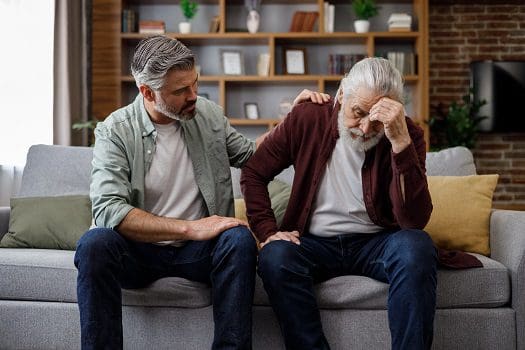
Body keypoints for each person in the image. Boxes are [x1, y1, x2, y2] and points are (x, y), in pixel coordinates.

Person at [74, 35, 327, 350]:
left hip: (197, 253)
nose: (194, 95)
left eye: (195, 83)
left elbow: (252, 155)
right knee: (94, 244)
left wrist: (292, 121)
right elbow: (110, 210)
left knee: (237, 239)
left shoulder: (206, 114)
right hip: (138, 251)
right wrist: (191, 228)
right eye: (181, 91)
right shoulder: (116, 131)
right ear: (147, 92)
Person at [240, 57, 438, 350]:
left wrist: (399, 143)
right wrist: (268, 231)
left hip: (376, 243)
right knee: (275, 256)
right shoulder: (308, 117)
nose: (366, 128)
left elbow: (413, 221)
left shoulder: (405, 134)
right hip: (312, 243)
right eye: (358, 112)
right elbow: (253, 170)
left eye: (378, 119)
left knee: (417, 245)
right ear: (342, 93)